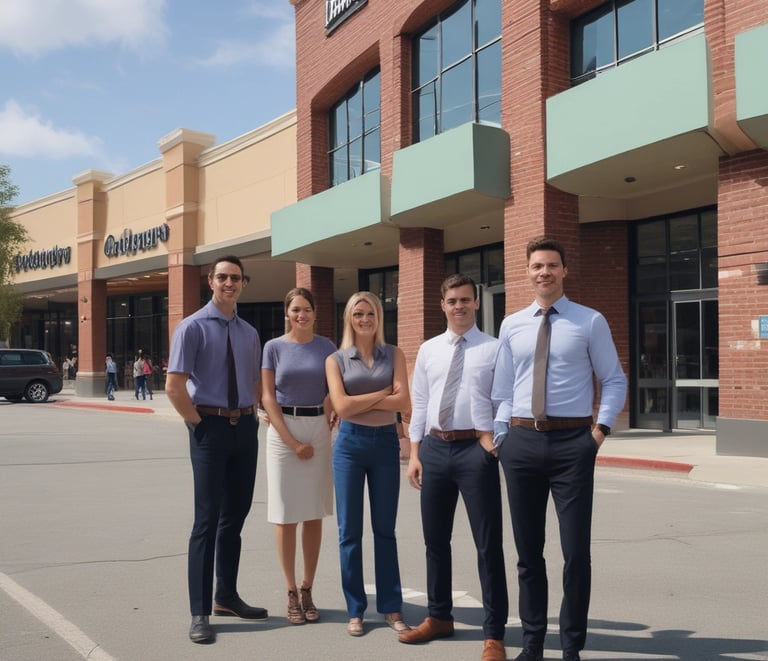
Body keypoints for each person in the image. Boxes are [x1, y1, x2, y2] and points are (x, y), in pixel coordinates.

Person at [491, 237, 627, 661]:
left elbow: (615, 379)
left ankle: (571, 647)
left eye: (551, 265)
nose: (543, 272)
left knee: (575, 554)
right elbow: (502, 390)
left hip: (573, 445)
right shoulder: (511, 325)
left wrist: (598, 433)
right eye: (536, 266)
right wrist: (502, 438)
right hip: (522, 443)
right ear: (527, 272)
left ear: (564, 271)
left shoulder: (590, 322)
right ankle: (532, 643)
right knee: (529, 554)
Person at [399, 274, 508, 661]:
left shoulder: (495, 348)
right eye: (452, 301)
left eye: (465, 300)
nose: (459, 306)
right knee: (435, 542)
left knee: (487, 545)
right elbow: (421, 404)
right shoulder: (429, 350)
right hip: (435, 449)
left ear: (476, 303)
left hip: (475, 453)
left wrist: (491, 438)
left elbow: (505, 400)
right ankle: (439, 616)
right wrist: (415, 453)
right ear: (442, 305)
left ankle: (494, 635)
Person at [165, 255, 267, 645]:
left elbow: (254, 381)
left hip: (245, 429)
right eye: (222, 277)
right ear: (211, 281)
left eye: (236, 278)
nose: (229, 283)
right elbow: (175, 385)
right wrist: (198, 425)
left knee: (235, 517)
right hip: (209, 428)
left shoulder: (249, 333)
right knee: (206, 521)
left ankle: (226, 595)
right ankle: (200, 612)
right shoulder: (191, 327)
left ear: (243, 283)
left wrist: (255, 415)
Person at [325, 291, 411, 637]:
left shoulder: (395, 354)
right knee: (349, 533)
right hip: (349, 446)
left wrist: (365, 400)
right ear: (350, 318)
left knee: (385, 530)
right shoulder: (336, 360)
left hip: (385, 444)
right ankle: (355, 609)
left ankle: (391, 607)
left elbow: (403, 399)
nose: (365, 320)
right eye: (358, 314)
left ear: (379, 318)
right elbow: (341, 409)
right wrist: (381, 395)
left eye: (371, 314)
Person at [261, 287, 336, 625]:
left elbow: (336, 387)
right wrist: (292, 442)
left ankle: (308, 586)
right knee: (285, 513)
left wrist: (331, 409)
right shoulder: (273, 348)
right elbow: (268, 397)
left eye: (306, 309)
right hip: (283, 431)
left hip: (318, 427)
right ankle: (290, 589)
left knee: (313, 513)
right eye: (295, 310)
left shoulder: (327, 347)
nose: (301, 315)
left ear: (314, 312)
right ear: (286, 313)